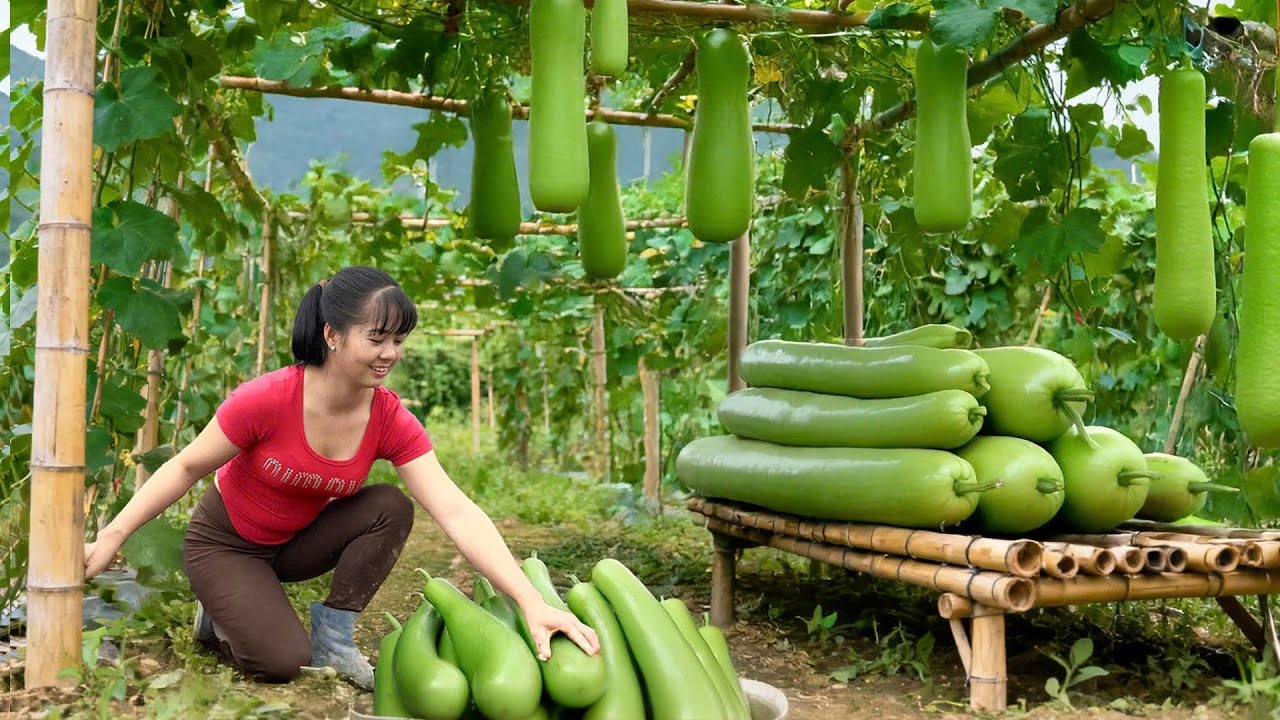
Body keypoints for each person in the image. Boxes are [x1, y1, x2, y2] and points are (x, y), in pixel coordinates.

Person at [83, 266, 599, 690]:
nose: (391, 354)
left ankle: (335, 635)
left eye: (399, 340)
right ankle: (218, 615)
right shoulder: (266, 399)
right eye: (377, 338)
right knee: (282, 663)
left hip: (295, 544)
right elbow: (185, 466)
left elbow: (456, 510)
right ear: (331, 335)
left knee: (391, 507)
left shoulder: (389, 418)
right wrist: (113, 535)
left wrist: (531, 601)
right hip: (226, 545)